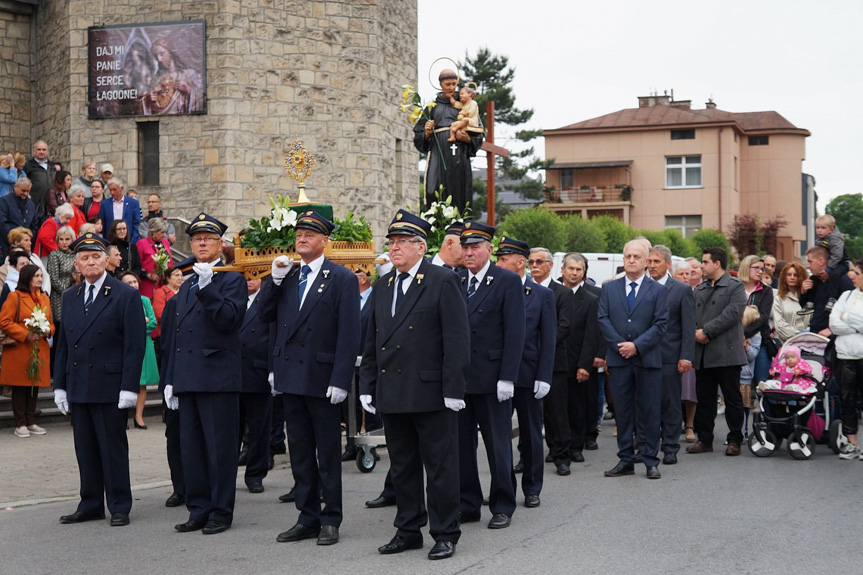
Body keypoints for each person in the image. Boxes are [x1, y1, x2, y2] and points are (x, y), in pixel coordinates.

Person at [359, 209, 469, 560]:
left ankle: (445, 532)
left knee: (439, 466)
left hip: (431, 391)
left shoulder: (441, 280)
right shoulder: (383, 285)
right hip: (392, 391)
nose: (394, 249)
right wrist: (367, 383)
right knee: (403, 465)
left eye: (402, 242)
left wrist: (454, 389)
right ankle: (408, 529)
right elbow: (372, 339)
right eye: (391, 242)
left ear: (421, 247)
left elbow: (457, 339)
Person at [259, 209, 360, 546]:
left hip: (322, 377)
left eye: (310, 235)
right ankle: (307, 516)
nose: (302, 238)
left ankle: (331, 518)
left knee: (327, 453)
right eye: (299, 234)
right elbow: (265, 317)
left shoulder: (341, 278)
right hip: (290, 374)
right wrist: (271, 281)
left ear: (324, 241)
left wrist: (340, 379)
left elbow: (349, 333)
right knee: (299, 451)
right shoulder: (286, 276)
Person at [53, 232, 146, 527]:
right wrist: (60, 386)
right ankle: (91, 502)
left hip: (110, 385)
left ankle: (119, 504)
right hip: (79, 382)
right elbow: (64, 344)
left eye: (96, 256)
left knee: (113, 449)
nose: (90, 262)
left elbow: (134, 345)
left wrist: (129, 387)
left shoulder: (125, 294)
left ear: (107, 261)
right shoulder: (69, 297)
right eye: (84, 258)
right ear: (76, 265)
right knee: (86, 449)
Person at [162, 214, 246, 535]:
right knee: (192, 449)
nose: (201, 243)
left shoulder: (231, 278)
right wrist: (171, 378)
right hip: (187, 377)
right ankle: (198, 508)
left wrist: (210, 287)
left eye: (208, 239)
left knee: (219, 449)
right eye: (197, 239)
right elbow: (179, 336)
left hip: (217, 378)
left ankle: (221, 511)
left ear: (220, 244)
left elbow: (227, 321)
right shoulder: (188, 281)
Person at [456, 221, 524, 529]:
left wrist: (507, 377)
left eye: (475, 247)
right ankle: (468, 503)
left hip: (493, 377)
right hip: (461, 379)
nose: (469, 253)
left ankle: (502, 505)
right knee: (461, 446)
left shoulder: (506, 281)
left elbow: (514, 332)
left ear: (488, 250)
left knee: (497, 446)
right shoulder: (456, 279)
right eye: (465, 247)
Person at [598, 240, 668, 480]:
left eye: (637, 256)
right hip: (619, 361)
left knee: (649, 411)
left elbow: (660, 324)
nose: (631, 260)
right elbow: (603, 319)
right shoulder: (609, 288)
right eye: (627, 256)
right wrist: (621, 346)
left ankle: (650, 460)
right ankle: (625, 459)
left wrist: (636, 346)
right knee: (624, 412)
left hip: (647, 360)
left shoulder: (658, 290)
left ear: (647, 261)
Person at [494, 236, 554, 508]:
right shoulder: (493, 290)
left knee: (530, 434)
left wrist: (544, 375)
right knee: (499, 437)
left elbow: (548, 338)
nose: (499, 264)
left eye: (503, 260)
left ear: (520, 262)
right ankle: (503, 488)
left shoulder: (542, 294)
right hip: (498, 375)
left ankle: (532, 487)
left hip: (528, 374)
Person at [687, 247, 747, 457]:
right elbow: (691, 314)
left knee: (732, 398)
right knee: (705, 399)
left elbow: (732, 314)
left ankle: (735, 440)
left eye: (704, 262)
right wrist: (695, 332)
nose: (701, 266)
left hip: (727, 353)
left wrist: (707, 331)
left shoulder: (735, 286)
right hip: (703, 353)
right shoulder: (700, 289)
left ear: (717, 263)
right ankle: (705, 439)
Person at [646, 245, 694, 466]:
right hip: (644, 354)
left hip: (670, 355)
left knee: (670, 403)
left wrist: (686, 356)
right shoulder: (642, 286)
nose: (652, 265)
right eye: (650, 261)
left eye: (657, 262)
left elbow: (687, 326)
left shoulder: (681, 290)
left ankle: (670, 447)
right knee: (647, 403)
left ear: (668, 264)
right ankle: (648, 446)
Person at [552, 252, 601, 471]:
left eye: (578, 270)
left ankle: (576, 447)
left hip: (577, 360)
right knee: (554, 408)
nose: (574, 273)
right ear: (562, 270)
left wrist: (585, 364)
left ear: (584, 274)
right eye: (570, 268)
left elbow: (592, 335)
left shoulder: (591, 300)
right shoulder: (549, 294)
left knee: (577, 406)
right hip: (554, 360)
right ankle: (554, 447)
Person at [414, 69, 483, 212]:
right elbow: (418, 138)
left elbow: (479, 133)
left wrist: (467, 139)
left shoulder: (465, 105)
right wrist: (427, 132)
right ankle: (436, 227)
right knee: (433, 190)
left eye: (454, 84)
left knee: (459, 192)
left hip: (459, 157)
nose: (451, 87)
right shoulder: (431, 107)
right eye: (448, 84)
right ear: (440, 85)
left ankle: (458, 228)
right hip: (437, 155)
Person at [0, 264, 54, 438]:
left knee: (34, 386)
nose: (40, 279)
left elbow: (51, 323)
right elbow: (5, 322)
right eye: (36, 276)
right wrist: (26, 334)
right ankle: (20, 423)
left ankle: (30, 421)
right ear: (27, 278)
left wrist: (48, 330)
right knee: (20, 387)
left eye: (40, 276)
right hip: (20, 348)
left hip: (39, 348)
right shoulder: (14, 297)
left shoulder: (44, 298)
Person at [238, 277, 275, 494]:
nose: (249, 281)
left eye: (253, 276)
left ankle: (255, 474)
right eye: (245, 276)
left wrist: (272, 369)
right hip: (233, 374)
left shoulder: (268, 300)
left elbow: (274, 335)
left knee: (260, 429)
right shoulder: (233, 299)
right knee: (231, 428)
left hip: (259, 372)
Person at [829, 260, 863, 459]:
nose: (852, 276)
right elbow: (834, 324)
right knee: (847, 399)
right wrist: (857, 323)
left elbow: (842, 320)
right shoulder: (846, 295)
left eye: (857, 273)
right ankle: (852, 444)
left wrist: (847, 318)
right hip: (845, 356)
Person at [117, 271, 158, 430]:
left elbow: (152, 323)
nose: (133, 285)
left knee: (142, 383)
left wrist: (138, 325)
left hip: (144, 344)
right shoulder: (119, 300)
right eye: (129, 282)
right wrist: (141, 322)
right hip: (124, 345)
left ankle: (139, 416)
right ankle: (123, 416)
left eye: (135, 282)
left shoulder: (145, 300)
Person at [738, 255, 774, 400]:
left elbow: (763, 317)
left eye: (762, 268)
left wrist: (744, 334)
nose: (760, 271)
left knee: (761, 384)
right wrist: (738, 335)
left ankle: (763, 419)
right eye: (757, 268)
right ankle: (743, 421)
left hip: (759, 340)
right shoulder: (735, 287)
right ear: (747, 268)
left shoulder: (766, 291)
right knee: (742, 386)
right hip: (736, 341)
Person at [800, 246, 853, 337]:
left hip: (835, 338)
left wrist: (831, 330)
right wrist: (804, 293)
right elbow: (805, 307)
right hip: (815, 334)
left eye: (810, 261)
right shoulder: (814, 281)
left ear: (821, 261)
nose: (807, 266)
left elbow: (852, 311)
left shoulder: (842, 280)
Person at [673, 260, 698, 443]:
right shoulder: (667, 290)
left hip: (689, 346)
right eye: (680, 274)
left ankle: (689, 425)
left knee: (690, 390)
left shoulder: (698, 293)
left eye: (687, 274)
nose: (684, 277)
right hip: (669, 347)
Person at [814, 214, 850, 312]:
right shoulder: (819, 241)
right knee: (815, 276)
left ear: (831, 229)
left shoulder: (835, 238)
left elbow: (837, 256)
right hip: (830, 263)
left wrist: (828, 269)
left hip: (841, 263)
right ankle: (811, 300)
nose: (819, 230)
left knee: (834, 275)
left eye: (823, 228)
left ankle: (833, 298)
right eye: (817, 228)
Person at [46, 225, 76, 332]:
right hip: (59, 298)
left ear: (73, 239)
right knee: (60, 330)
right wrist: (69, 293)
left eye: (67, 239)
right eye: (61, 239)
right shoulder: (55, 255)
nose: (64, 242)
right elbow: (54, 279)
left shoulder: (76, 254)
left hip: (76, 294)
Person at [0, 178, 39, 261]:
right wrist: (15, 238)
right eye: (23, 190)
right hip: (7, 246)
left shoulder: (30, 204)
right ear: (15, 187)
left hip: (26, 247)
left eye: (28, 191)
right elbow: (2, 223)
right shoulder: (4, 201)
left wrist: (28, 239)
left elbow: (34, 224)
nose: (25, 194)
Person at [152, 266, 183, 367]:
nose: (180, 278)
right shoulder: (160, 293)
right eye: (176, 275)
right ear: (168, 278)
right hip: (166, 337)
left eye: (181, 275)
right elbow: (161, 316)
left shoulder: (184, 292)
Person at [772, 262, 810, 344]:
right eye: (789, 274)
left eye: (795, 275)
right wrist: (798, 335)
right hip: (785, 343)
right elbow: (779, 324)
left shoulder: (808, 298)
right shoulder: (779, 299)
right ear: (784, 277)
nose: (792, 277)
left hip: (807, 343)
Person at [740, 306, 762, 435]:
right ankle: (735, 431)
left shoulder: (755, 336)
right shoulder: (736, 331)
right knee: (733, 405)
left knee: (744, 404)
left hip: (745, 375)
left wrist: (745, 346)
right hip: (732, 373)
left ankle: (743, 431)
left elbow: (752, 356)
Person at [136, 217, 171, 299]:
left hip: (163, 284)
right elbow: (136, 266)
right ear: (153, 232)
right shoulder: (142, 243)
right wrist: (147, 274)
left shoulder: (165, 242)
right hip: (147, 285)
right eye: (162, 232)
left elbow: (170, 261)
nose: (164, 235)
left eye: (165, 232)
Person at [99, 178, 141, 244]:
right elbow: (102, 223)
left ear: (121, 188)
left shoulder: (133, 203)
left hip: (128, 241)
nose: (112, 192)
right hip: (110, 241)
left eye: (114, 189)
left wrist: (132, 242)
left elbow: (137, 223)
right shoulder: (105, 204)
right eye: (110, 190)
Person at [22, 141, 55, 221]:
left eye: (44, 150)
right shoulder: (28, 166)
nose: (41, 152)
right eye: (39, 149)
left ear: (47, 152)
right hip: (34, 204)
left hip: (50, 205)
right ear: (34, 151)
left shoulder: (52, 166)